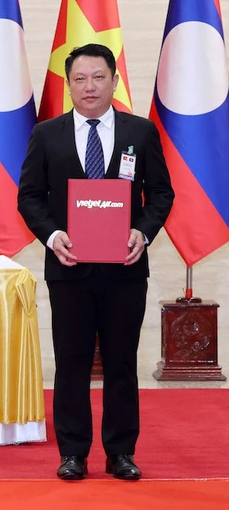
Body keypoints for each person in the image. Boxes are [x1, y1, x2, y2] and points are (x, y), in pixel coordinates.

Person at [17, 43, 173, 482]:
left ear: (115, 81)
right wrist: (51, 235)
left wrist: (142, 231)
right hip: (68, 269)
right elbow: (29, 197)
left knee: (123, 361)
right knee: (72, 362)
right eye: (80, 79)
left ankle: (121, 452)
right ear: (68, 85)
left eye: (98, 77)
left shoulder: (140, 133)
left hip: (125, 269)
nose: (89, 86)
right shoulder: (46, 134)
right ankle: (73, 453)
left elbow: (161, 193)